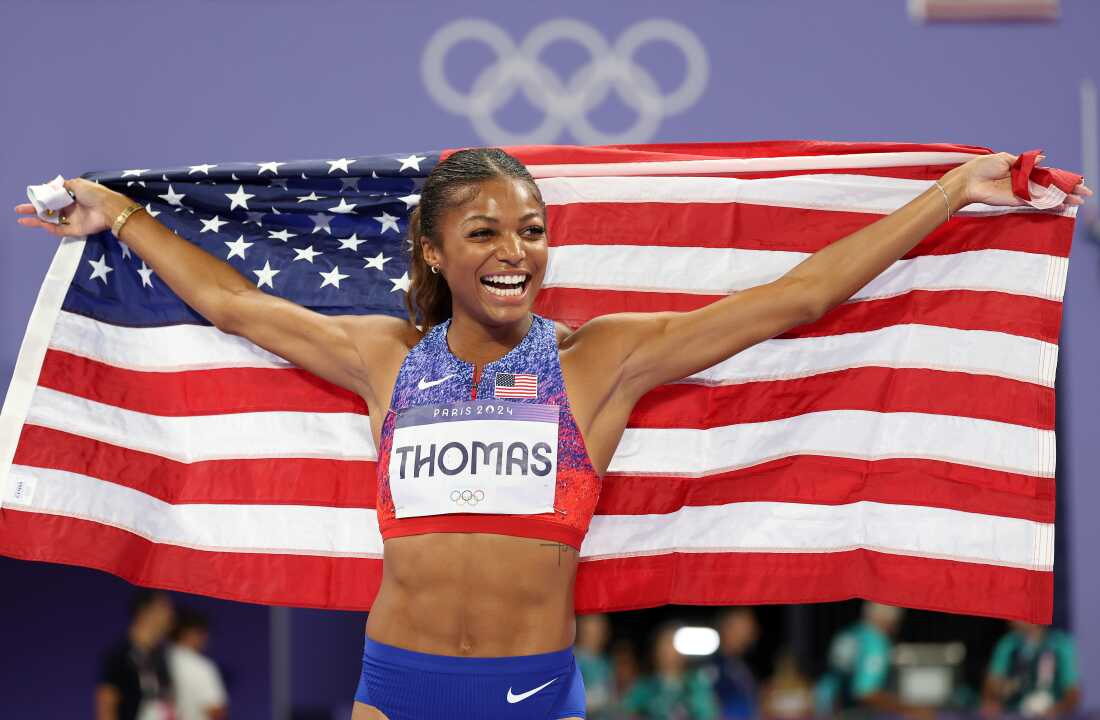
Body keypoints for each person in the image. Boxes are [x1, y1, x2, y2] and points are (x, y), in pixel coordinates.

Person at [16, 148, 1090, 720]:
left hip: (531, 693)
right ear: (433, 251)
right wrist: (124, 217)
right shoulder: (384, 357)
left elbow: (795, 299)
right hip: (395, 687)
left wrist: (951, 192)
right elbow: (238, 307)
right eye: (483, 230)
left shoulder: (599, 358)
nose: (514, 248)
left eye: (529, 229)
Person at [815, 602, 929, 720]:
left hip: (825, 703)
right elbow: (866, 692)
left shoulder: (850, 632)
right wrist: (910, 709)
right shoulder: (875, 643)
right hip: (848, 712)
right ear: (890, 621)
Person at [96, 590, 176, 720]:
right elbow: (106, 707)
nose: (171, 615)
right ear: (145, 611)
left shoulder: (164, 658)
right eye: (165, 607)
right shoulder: (120, 657)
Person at [980, 621, 1081, 718]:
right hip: (1014, 714)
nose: (1011, 619)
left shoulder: (1060, 644)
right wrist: (992, 701)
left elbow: (1072, 692)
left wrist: (1057, 710)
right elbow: (992, 683)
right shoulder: (1008, 644)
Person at [621, 621, 720, 719]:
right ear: (655, 649)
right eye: (665, 643)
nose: (668, 650)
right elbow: (627, 712)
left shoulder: (696, 685)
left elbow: (708, 714)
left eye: (673, 643)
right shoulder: (644, 687)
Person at [168, 609, 228, 720]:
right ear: (189, 633)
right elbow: (216, 710)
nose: (206, 638)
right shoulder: (202, 667)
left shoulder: (161, 660)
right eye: (202, 633)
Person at [700, 607, 759, 719]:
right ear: (727, 626)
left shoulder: (740, 665)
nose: (753, 629)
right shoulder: (713, 667)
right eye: (746, 623)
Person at [575, 613, 616, 719]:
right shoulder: (572, 660)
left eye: (600, 627)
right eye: (591, 626)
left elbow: (611, 694)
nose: (596, 633)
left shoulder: (606, 662)